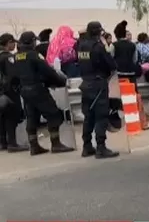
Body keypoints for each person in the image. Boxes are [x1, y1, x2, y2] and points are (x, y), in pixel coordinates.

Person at [8, 31, 74, 155]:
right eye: (34, 41)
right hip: (37, 89)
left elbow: (13, 76)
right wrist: (60, 81)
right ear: (31, 42)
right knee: (54, 114)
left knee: (32, 117)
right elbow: (48, 71)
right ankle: (56, 144)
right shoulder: (34, 55)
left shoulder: (17, 56)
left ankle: (34, 146)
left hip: (25, 91)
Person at [76, 21, 119, 159]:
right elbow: (111, 64)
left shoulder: (81, 45)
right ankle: (101, 147)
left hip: (85, 83)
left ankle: (87, 146)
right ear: (99, 32)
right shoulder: (98, 46)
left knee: (88, 116)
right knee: (101, 116)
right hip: (98, 84)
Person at [0, 34, 29, 152]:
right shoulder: (8, 57)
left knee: (2, 117)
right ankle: (12, 143)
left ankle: (3, 143)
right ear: (8, 43)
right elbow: (14, 75)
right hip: (10, 91)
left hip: (1, 91)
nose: (14, 45)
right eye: (13, 43)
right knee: (12, 116)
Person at [112, 21, 141, 86]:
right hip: (131, 73)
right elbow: (135, 59)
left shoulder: (113, 45)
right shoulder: (133, 45)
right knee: (132, 93)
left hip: (118, 74)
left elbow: (111, 58)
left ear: (116, 34)